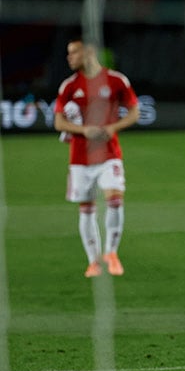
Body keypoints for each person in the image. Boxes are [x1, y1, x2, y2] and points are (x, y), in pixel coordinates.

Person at [53, 38, 140, 277]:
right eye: (68, 53)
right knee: (87, 208)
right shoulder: (69, 86)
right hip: (80, 159)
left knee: (115, 199)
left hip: (109, 153)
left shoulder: (115, 80)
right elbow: (58, 122)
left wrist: (113, 128)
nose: (69, 57)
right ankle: (93, 261)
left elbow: (135, 111)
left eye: (74, 53)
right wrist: (83, 130)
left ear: (88, 52)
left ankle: (111, 253)